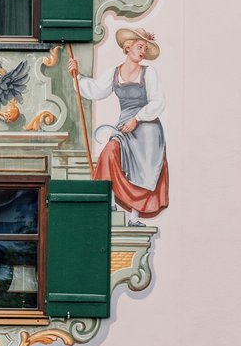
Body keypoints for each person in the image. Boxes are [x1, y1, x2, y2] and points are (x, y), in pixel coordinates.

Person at [68, 29, 168, 227]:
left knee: (143, 169)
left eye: (145, 49)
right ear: (128, 47)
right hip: (124, 126)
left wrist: (137, 118)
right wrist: (76, 76)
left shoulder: (149, 73)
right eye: (140, 47)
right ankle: (112, 201)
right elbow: (96, 90)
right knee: (109, 152)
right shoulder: (114, 73)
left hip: (147, 128)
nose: (142, 51)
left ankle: (134, 217)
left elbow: (158, 102)